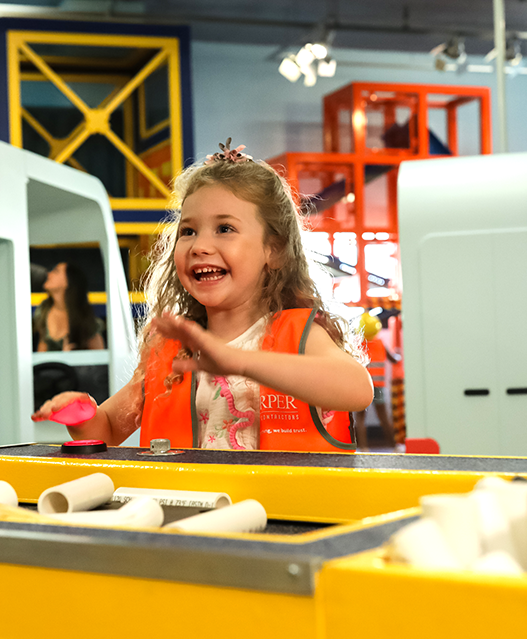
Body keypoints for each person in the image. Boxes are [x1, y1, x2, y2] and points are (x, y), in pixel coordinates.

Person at [31, 139, 373, 450]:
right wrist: (80, 414)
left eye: (225, 229)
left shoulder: (299, 334)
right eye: (189, 231)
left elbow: (357, 389)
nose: (200, 246)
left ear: (275, 250)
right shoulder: (168, 351)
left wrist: (238, 362)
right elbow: (105, 429)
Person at [34, 262, 105, 351]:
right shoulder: (43, 311)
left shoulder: (85, 320)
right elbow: (41, 358)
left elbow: (99, 359)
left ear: (68, 282)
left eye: (56, 271)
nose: (49, 274)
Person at [353, 312, 398, 449]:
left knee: (360, 419)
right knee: (383, 417)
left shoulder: (357, 344)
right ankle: (394, 446)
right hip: (377, 386)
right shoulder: (380, 343)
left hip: (361, 385)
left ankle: (363, 448)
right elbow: (393, 359)